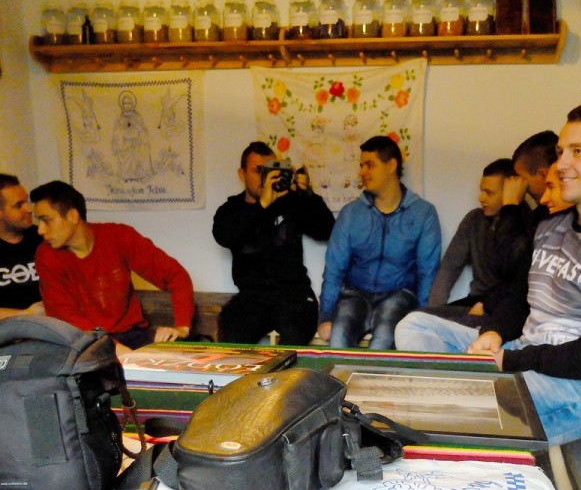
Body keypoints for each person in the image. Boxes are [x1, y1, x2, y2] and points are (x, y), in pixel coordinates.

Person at [395, 101, 581, 446]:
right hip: (523, 353)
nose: (561, 164)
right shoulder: (551, 224)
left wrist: (511, 360)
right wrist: (495, 333)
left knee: (458, 407)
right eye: (561, 152)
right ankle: (447, 407)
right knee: (414, 326)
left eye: (578, 152)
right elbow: (519, 297)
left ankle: (448, 416)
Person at [31, 180, 194, 352]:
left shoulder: (119, 236)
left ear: (72, 216)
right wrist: (115, 348)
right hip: (85, 344)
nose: (40, 230)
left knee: (181, 357)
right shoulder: (46, 255)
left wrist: (182, 327)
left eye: (46, 221)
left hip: (133, 336)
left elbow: (176, 275)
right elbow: (67, 317)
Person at [317, 135, 441, 350]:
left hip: (398, 296)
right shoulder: (351, 214)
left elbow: (427, 272)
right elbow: (334, 268)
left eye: (369, 165)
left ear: (391, 165)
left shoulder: (424, 213)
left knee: (383, 341)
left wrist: (423, 316)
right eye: (361, 165)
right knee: (338, 337)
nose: (362, 172)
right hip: (355, 295)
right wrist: (326, 315)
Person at [212, 141, 335, 345]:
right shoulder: (232, 209)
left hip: (294, 294)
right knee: (233, 337)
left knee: (294, 337)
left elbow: (326, 230)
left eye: (269, 170)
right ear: (242, 174)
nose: (264, 177)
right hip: (252, 297)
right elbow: (224, 236)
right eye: (258, 171)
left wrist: (308, 195)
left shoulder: (290, 201)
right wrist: (262, 204)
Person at [424, 158, 531, 327]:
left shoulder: (527, 223)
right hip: (474, 301)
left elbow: (514, 280)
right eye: (481, 190)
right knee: (420, 319)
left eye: (489, 193)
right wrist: (434, 310)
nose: (481, 198)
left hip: (503, 308)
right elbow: (449, 267)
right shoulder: (473, 220)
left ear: (510, 192)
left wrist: (486, 306)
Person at [0, 174, 44, 320]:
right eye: (19, 205)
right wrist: (26, 313)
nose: (29, 209)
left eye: (27, 201)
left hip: (51, 325)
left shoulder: (43, 237)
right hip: (8, 329)